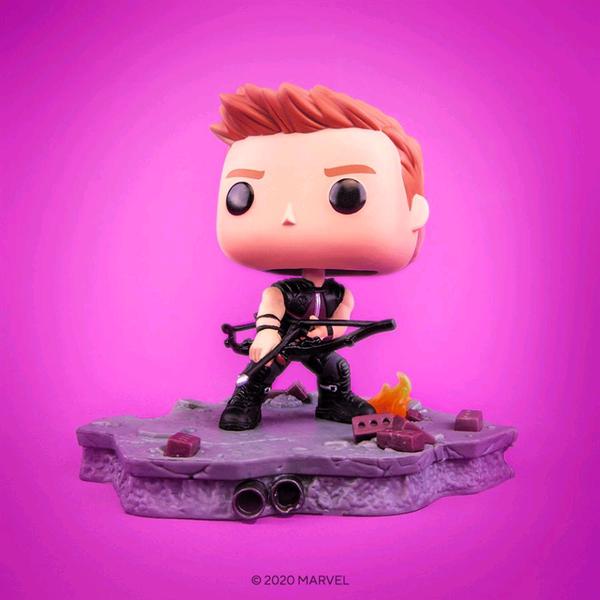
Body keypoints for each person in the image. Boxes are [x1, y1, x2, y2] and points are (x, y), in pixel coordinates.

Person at [210, 83, 429, 431]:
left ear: (415, 213)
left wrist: (326, 332)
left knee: (336, 367)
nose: (289, 216)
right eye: (242, 195)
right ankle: (245, 398)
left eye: (347, 194)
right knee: (262, 369)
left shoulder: (339, 294)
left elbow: (340, 322)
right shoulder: (284, 291)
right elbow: (270, 310)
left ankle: (334, 401)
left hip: (313, 343)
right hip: (283, 341)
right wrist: (267, 334)